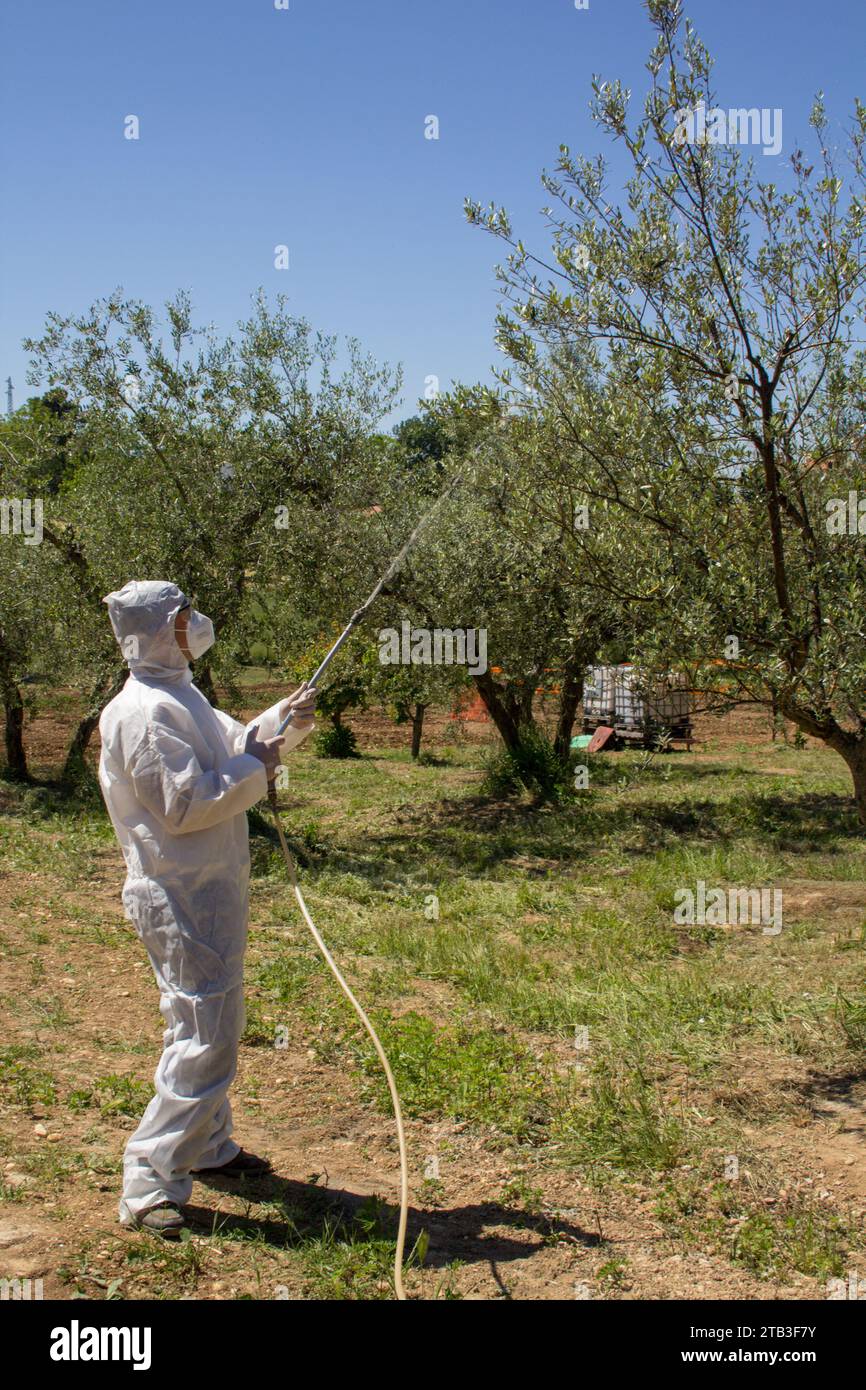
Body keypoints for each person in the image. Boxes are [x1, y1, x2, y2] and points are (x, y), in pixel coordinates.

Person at [98, 580, 317, 1236]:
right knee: (206, 1033)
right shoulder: (141, 713)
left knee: (208, 1019)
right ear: (159, 630)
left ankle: (209, 1146)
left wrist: (287, 720)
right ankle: (148, 1181)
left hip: (208, 891)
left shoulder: (179, 694)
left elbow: (236, 745)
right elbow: (186, 804)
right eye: (184, 616)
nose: (197, 623)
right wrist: (257, 763)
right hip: (178, 896)